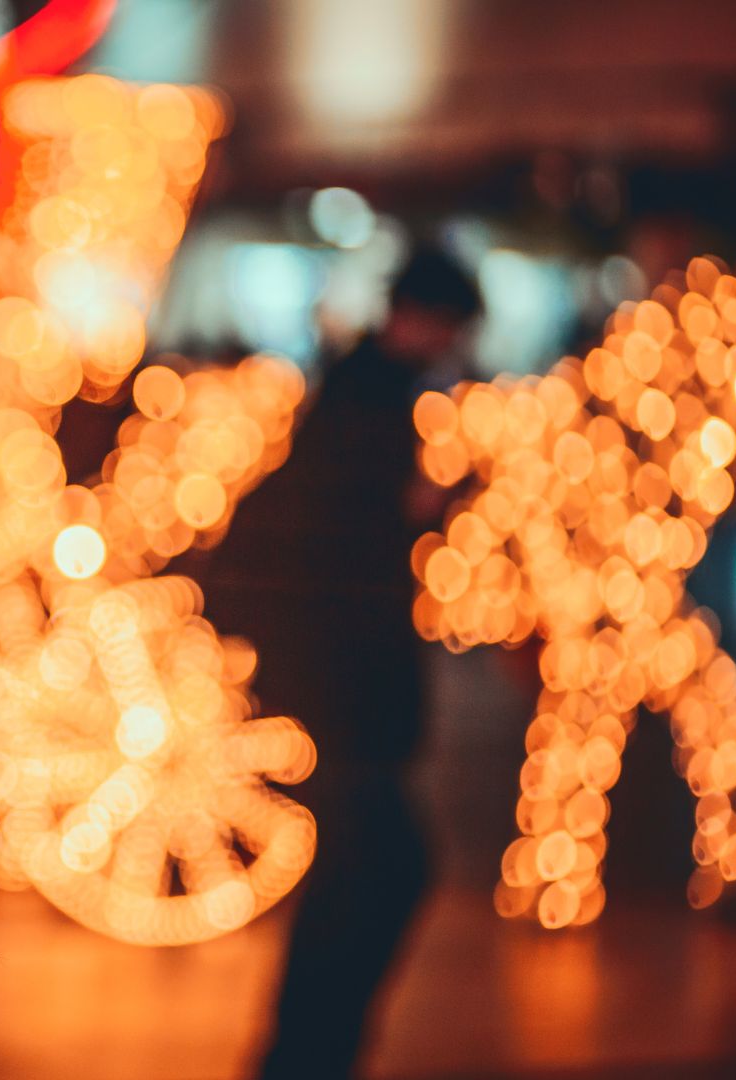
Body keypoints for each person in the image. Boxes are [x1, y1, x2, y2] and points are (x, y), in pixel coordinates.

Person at [196, 245, 481, 1078]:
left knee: (368, 866)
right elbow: (340, 542)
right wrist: (417, 509)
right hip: (341, 681)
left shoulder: (362, 391)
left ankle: (309, 1048)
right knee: (384, 863)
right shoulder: (369, 401)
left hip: (335, 678)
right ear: (423, 318)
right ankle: (311, 1050)